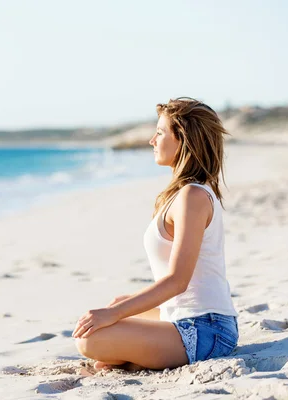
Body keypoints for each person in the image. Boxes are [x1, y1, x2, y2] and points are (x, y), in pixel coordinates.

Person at [73, 97, 239, 371]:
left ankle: (137, 357)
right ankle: (136, 355)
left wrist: (113, 316)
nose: (152, 140)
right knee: (117, 304)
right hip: (193, 317)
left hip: (207, 329)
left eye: (160, 133)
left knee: (90, 340)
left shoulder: (193, 196)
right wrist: (117, 309)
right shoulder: (184, 194)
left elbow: (177, 281)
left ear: (183, 140)